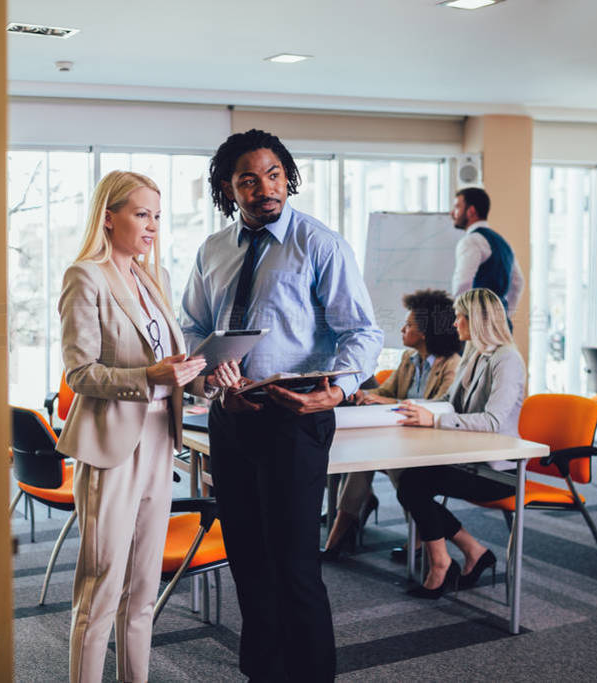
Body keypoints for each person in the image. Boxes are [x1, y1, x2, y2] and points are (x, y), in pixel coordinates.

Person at [181, 129, 384, 681]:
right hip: (230, 415)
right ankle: (263, 673)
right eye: (250, 179)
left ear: (287, 177)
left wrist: (338, 391)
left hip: (295, 416)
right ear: (230, 187)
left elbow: (363, 332)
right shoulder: (213, 249)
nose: (265, 188)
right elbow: (195, 326)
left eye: (274, 175)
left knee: (294, 565)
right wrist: (210, 372)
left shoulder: (319, 244)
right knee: (247, 555)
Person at [56, 171, 238, 682]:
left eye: (157, 215)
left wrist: (208, 376)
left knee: (142, 591)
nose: (152, 225)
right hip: (113, 447)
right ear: (109, 217)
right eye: (142, 214)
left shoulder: (151, 280)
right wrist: (148, 376)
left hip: (161, 444)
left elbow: (172, 370)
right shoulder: (85, 276)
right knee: (101, 588)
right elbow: (81, 372)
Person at [393, 287, 526, 599]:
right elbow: (450, 402)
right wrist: (418, 409)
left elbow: (492, 421)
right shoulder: (474, 354)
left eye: (459, 317)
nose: (454, 324)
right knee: (411, 481)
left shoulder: (507, 360)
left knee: (413, 484)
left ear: (477, 320)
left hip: (498, 472)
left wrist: (435, 420)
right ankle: (470, 552)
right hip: (468, 460)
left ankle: (445, 562)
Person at [322, 288, 461, 561]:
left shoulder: (451, 365)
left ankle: (422, 535)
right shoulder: (409, 359)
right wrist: (368, 396)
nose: (402, 329)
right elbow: (387, 392)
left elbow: (439, 409)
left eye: (408, 325)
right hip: (402, 439)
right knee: (361, 461)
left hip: (430, 445)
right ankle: (336, 538)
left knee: (398, 470)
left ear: (425, 332)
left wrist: (382, 400)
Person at [450, 187, 525, 327]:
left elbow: (462, 284)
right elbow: (518, 283)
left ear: (471, 211)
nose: (452, 213)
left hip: (477, 325)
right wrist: (506, 315)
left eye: (457, 207)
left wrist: (459, 317)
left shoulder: (471, 241)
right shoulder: (504, 243)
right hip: (501, 325)